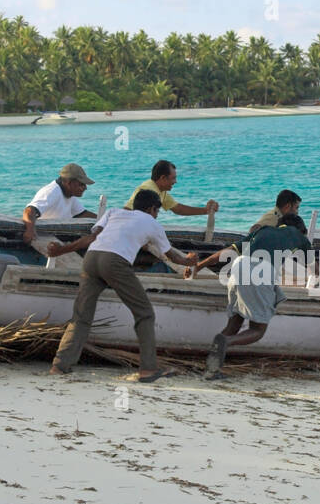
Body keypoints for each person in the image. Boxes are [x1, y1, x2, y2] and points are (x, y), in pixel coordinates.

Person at [48, 189, 199, 382]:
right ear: (152, 209)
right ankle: (148, 369)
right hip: (115, 262)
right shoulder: (153, 223)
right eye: (157, 211)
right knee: (144, 313)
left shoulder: (114, 212)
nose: (156, 215)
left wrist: (61, 250)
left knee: (81, 316)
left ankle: (60, 366)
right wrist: (190, 261)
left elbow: (90, 239)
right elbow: (172, 256)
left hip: (91, 258)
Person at [195, 213, 315, 379]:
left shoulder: (263, 230)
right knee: (258, 329)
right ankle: (227, 342)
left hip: (238, 266)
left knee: (234, 323)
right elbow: (312, 265)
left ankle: (211, 370)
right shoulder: (299, 236)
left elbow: (227, 252)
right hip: (262, 270)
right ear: (301, 229)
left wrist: (199, 266)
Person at [22, 163, 96, 242]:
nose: (85, 188)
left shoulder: (70, 194)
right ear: (69, 182)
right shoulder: (51, 192)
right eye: (81, 184)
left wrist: (104, 219)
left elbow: (82, 214)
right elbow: (29, 210)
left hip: (58, 235)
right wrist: (30, 230)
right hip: (44, 236)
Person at [124, 160, 218, 217]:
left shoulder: (160, 191)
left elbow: (179, 209)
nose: (175, 181)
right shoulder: (148, 190)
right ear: (163, 178)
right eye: (173, 178)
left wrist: (205, 210)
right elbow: (128, 211)